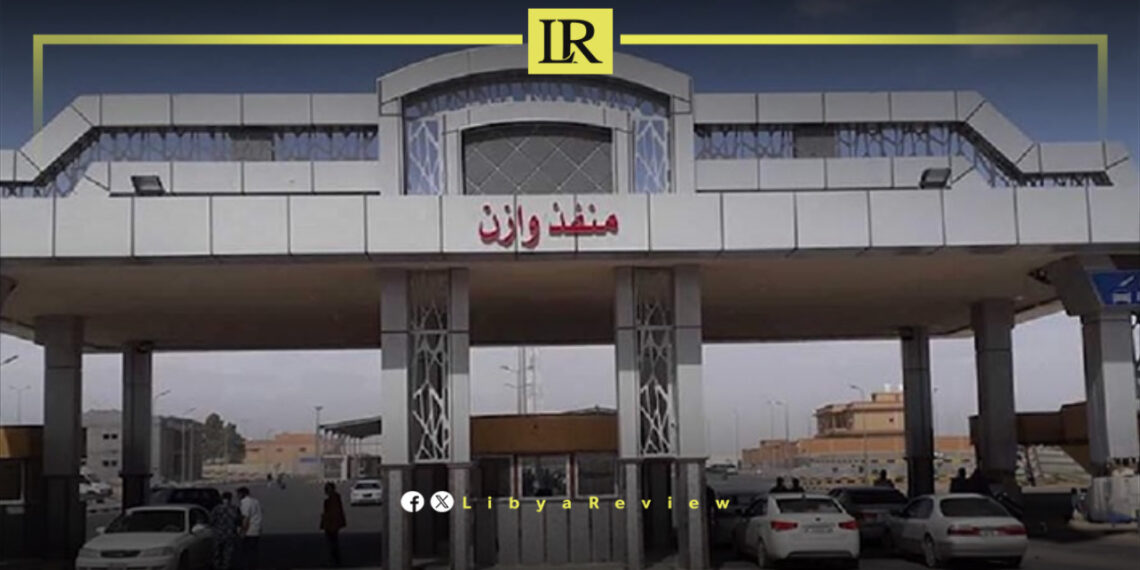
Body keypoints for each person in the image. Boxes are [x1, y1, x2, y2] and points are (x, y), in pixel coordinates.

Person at [208, 491, 242, 570]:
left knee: (216, 553)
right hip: (230, 534)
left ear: (222, 498)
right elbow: (239, 521)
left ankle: (217, 566)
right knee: (228, 554)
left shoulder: (217, 509)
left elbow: (211, 521)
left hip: (218, 534)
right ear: (230, 499)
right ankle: (226, 566)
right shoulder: (235, 508)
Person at [320, 482, 347, 567]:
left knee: (332, 544)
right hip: (331, 524)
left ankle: (333, 561)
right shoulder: (333, 499)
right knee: (333, 543)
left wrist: (330, 524)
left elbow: (333, 513)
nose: (325, 490)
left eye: (327, 488)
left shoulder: (333, 500)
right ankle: (334, 561)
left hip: (331, 525)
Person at [237, 487, 263, 570]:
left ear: (242, 494)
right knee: (254, 552)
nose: (237, 496)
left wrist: (242, 531)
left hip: (249, 531)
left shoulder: (245, 502)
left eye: (238, 494)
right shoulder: (255, 501)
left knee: (246, 552)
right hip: (256, 529)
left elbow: (246, 518)